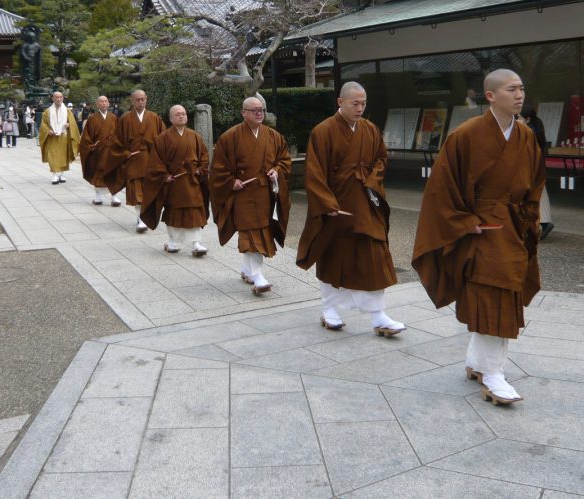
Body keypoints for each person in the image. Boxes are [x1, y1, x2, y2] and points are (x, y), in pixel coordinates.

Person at [412, 69, 545, 405]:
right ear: (490, 96)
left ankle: (476, 361)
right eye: (512, 89)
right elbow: (441, 188)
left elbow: (536, 180)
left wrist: (530, 216)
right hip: (481, 228)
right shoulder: (466, 135)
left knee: (506, 293)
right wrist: (463, 221)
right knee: (492, 296)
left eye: (521, 88)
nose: (519, 95)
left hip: (513, 226)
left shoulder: (525, 135)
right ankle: (493, 374)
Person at [296, 82, 405, 336]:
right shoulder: (323, 131)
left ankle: (378, 315)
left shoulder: (370, 129)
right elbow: (314, 173)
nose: (360, 108)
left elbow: (381, 158)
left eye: (363, 103)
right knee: (336, 257)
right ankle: (330, 310)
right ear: (340, 102)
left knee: (374, 256)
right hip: (337, 205)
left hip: (366, 203)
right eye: (355, 103)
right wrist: (327, 204)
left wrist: (371, 180)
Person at [210, 96, 291, 295]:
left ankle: (248, 270)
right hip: (243, 194)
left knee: (261, 233)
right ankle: (258, 277)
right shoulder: (230, 137)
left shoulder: (273, 136)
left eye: (261, 110)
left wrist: (276, 171)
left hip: (264, 194)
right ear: (243, 113)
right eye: (253, 110)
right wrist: (231, 181)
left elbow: (284, 160)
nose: (258, 113)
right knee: (249, 233)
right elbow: (218, 167)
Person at [140, 105, 210, 256]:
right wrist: (165, 176)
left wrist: (200, 169)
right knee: (174, 212)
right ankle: (172, 242)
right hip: (175, 183)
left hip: (192, 181)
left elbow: (204, 156)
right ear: (171, 118)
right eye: (177, 114)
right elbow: (155, 162)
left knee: (194, 212)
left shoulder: (195, 136)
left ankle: (196, 243)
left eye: (184, 114)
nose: (181, 116)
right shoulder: (162, 138)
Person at [102, 90, 166, 232]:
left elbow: (163, 139)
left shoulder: (154, 118)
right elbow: (116, 142)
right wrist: (126, 153)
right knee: (137, 193)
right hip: (134, 160)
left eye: (143, 99)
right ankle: (141, 219)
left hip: (151, 161)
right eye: (137, 100)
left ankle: (145, 216)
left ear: (146, 99)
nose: (140, 102)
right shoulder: (125, 119)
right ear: (132, 101)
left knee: (149, 191)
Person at [79, 95, 120, 206]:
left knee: (112, 173)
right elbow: (86, 136)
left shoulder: (113, 117)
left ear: (108, 104)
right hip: (97, 151)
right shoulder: (92, 118)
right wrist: (91, 146)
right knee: (97, 173)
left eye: (106, 101)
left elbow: (118, 134)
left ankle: (114, 197)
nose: (104, 103)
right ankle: (98, 197)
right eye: (101, 102)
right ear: (97, 104)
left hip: (111, 151)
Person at [521, 106, 554, 239]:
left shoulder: (528, 131)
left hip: (531, 168)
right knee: (539, 194)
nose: (517, 120)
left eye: (520, 118)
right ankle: (539, 224)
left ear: (527, 119)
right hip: (537, 167)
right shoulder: (537, 126)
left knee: (535, 194)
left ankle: (542, 223)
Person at [38, 91, 81, 184]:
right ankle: (54, 174)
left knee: (63, 156)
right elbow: (43, 124)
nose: (58, 99)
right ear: (53, 98)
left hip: (63, 136)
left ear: (63, 98)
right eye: (56, 97)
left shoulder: (67, 111)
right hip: (52, 137)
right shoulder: (47, 111)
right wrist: (48, 131)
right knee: (52, 155)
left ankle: (61, 174)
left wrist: (69, 124)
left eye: (60, 97)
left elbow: (73, 123)